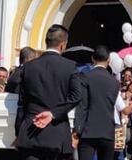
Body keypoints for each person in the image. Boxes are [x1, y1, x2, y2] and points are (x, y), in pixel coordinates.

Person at [6, 25, 81, 160]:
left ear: (46, 42)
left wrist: (19, 133)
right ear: (63, 45)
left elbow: (22, 104)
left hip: (30, 132)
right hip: (57, 134)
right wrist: (53, 113)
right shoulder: (70, 66)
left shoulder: (28, 67)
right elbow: (76, 96)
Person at [74, 46, 119, 160]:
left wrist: (77, 130)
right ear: (109, 60)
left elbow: (82, 106)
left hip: (87, 131)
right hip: (107, 131)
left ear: (92, 59)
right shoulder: (114, 82)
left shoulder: (85, 77)